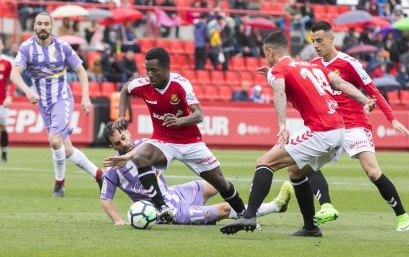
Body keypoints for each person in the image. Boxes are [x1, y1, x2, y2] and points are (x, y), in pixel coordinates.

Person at [220, 31, 375, 236]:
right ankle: (311, 228)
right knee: (295, 170)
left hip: (322, 129)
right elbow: (339, 83)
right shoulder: (311, 65)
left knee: (264, 162)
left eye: (265, 53)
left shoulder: (279, 69)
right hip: (340, 130)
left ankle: (249, 215)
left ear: (269, 51)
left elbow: (279, 92)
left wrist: (282, 124)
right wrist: (365, 100)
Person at [104, 47, 247, 223]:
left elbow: (199, 115)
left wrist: (179, 121)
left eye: (154, 70)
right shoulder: (143, 85)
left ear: (167, 68)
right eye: (147, 70)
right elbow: (126, 89)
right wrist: (121, 115)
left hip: (190, 142)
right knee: (141, 157)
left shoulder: (181, 84)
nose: (150, 75)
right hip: (163, 141)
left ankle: (245, 215)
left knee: (220, 182)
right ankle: (162, 207)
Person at [309, 21, 409, 232]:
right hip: (330, 126)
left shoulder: (349, 63)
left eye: (319, 40)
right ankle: (327, 207)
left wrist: (391, 118)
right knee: (306, 165)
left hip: (354, 124)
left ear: (331, 39)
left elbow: (372, 90)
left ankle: (402, 217)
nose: (316, 45)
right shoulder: (313, 65)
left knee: (373, 172)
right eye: (313, 41)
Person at [101, 122, 294, 225]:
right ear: (111, 146)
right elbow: (105, 199)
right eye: (117, 143)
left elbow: (147, 146)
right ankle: (275, 207)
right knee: (225, 209)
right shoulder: (113, 170)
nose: (124, 144)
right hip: (167, 209)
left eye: (124, 137)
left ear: (127, 131)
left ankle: (249, 207)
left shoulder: (145, 146)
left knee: (217, 185)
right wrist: (119, 221)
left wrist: (129, 155)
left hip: (174, 193)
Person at [10, 12, 104, 197]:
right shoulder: (27, 48)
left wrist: (85, 97)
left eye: (46, 24)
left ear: (51, 27)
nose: (43, 27)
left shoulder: (63, 47)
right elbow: (14, 73)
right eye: (39, 23)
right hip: (43, 103)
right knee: (66, 150)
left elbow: (81, 71)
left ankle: (59, 184)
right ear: (34, 26)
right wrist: (28, 90)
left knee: (54, 141)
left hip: (61, 98)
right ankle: (99, 175)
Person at [0, 40, 12, 162]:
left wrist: (10, 96)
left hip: (2, 101)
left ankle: (4, 153)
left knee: (3, 127)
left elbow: (12, 81)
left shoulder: (7, 62)